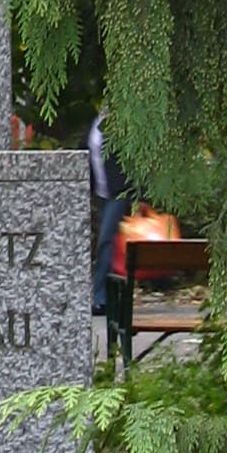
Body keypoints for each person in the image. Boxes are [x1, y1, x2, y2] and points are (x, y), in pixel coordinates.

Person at [88, 114, 132, 316]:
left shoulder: (120, 122)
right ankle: (109, 295)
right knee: (108, 243)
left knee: (106, 241)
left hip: (118, 193)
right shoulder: (96, 122)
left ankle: (100, 297)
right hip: (102, 194)